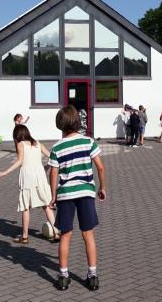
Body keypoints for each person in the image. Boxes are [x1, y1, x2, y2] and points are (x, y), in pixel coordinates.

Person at [48, 106, 106, 291]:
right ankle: (92, 276)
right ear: (77, 122)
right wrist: (102, 187)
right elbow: (101, 167)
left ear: (60, 124)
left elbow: (53, 174)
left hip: (65, 194)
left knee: (65, 235)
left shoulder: (57, 147)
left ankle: (64, 277)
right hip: (86, 192)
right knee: (88, 234)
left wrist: (53, 196)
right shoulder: (88, 142)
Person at [0, 124, 59, 244]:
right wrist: (47, 167)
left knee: (26, 207)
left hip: (27, 177)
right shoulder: (37, 143)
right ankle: (56, 232)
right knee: (46, 204)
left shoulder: (21, 144)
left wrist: (4, 172)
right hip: (40, 176)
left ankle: (24, 237)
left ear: (17, 135)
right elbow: (52, 157)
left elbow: (20, 161)